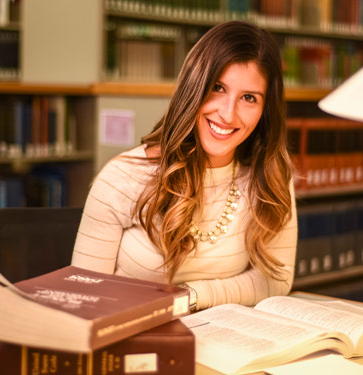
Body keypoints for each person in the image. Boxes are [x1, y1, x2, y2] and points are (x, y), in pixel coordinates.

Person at [71, 20, 298, 311]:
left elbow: (276, 280)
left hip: (222, 343)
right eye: (217, 88)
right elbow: (81, 296)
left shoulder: (271, 177)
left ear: (265, 110)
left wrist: (191, 296)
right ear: (194, 88)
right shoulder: (123, 177)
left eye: (248, 98)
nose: (228, 114)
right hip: (130, 343)